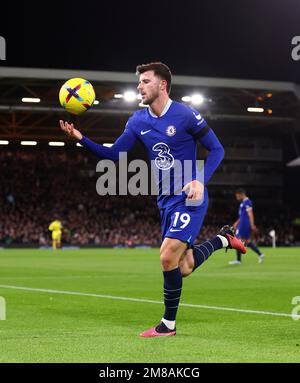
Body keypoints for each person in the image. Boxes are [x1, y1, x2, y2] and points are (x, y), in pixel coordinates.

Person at [59, 62, 246, 337]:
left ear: (162, 85)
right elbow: (114, 155)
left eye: (145, 81)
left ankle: (167, 325)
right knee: (183, 267)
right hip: (164, 201)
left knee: (167, 256)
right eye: (139, 82)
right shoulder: (137, 121)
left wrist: (200, 180)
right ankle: (222, 240)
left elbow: (217, 149)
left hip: (189, 197)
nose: (139, 86)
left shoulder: (186, 115)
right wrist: (80, 138)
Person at [229, 188, 265, 265]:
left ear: (241, 194)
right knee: (246, 241)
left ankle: (238, 260)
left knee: (238, 241)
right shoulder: (243, 203)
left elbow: (250, 213)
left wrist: (252, 225)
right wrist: (236, 222)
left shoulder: (247, 202)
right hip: (242, 223)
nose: (237, 198)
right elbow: (242, 215)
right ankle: (260, 254)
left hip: (244, 225)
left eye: (237, 196)